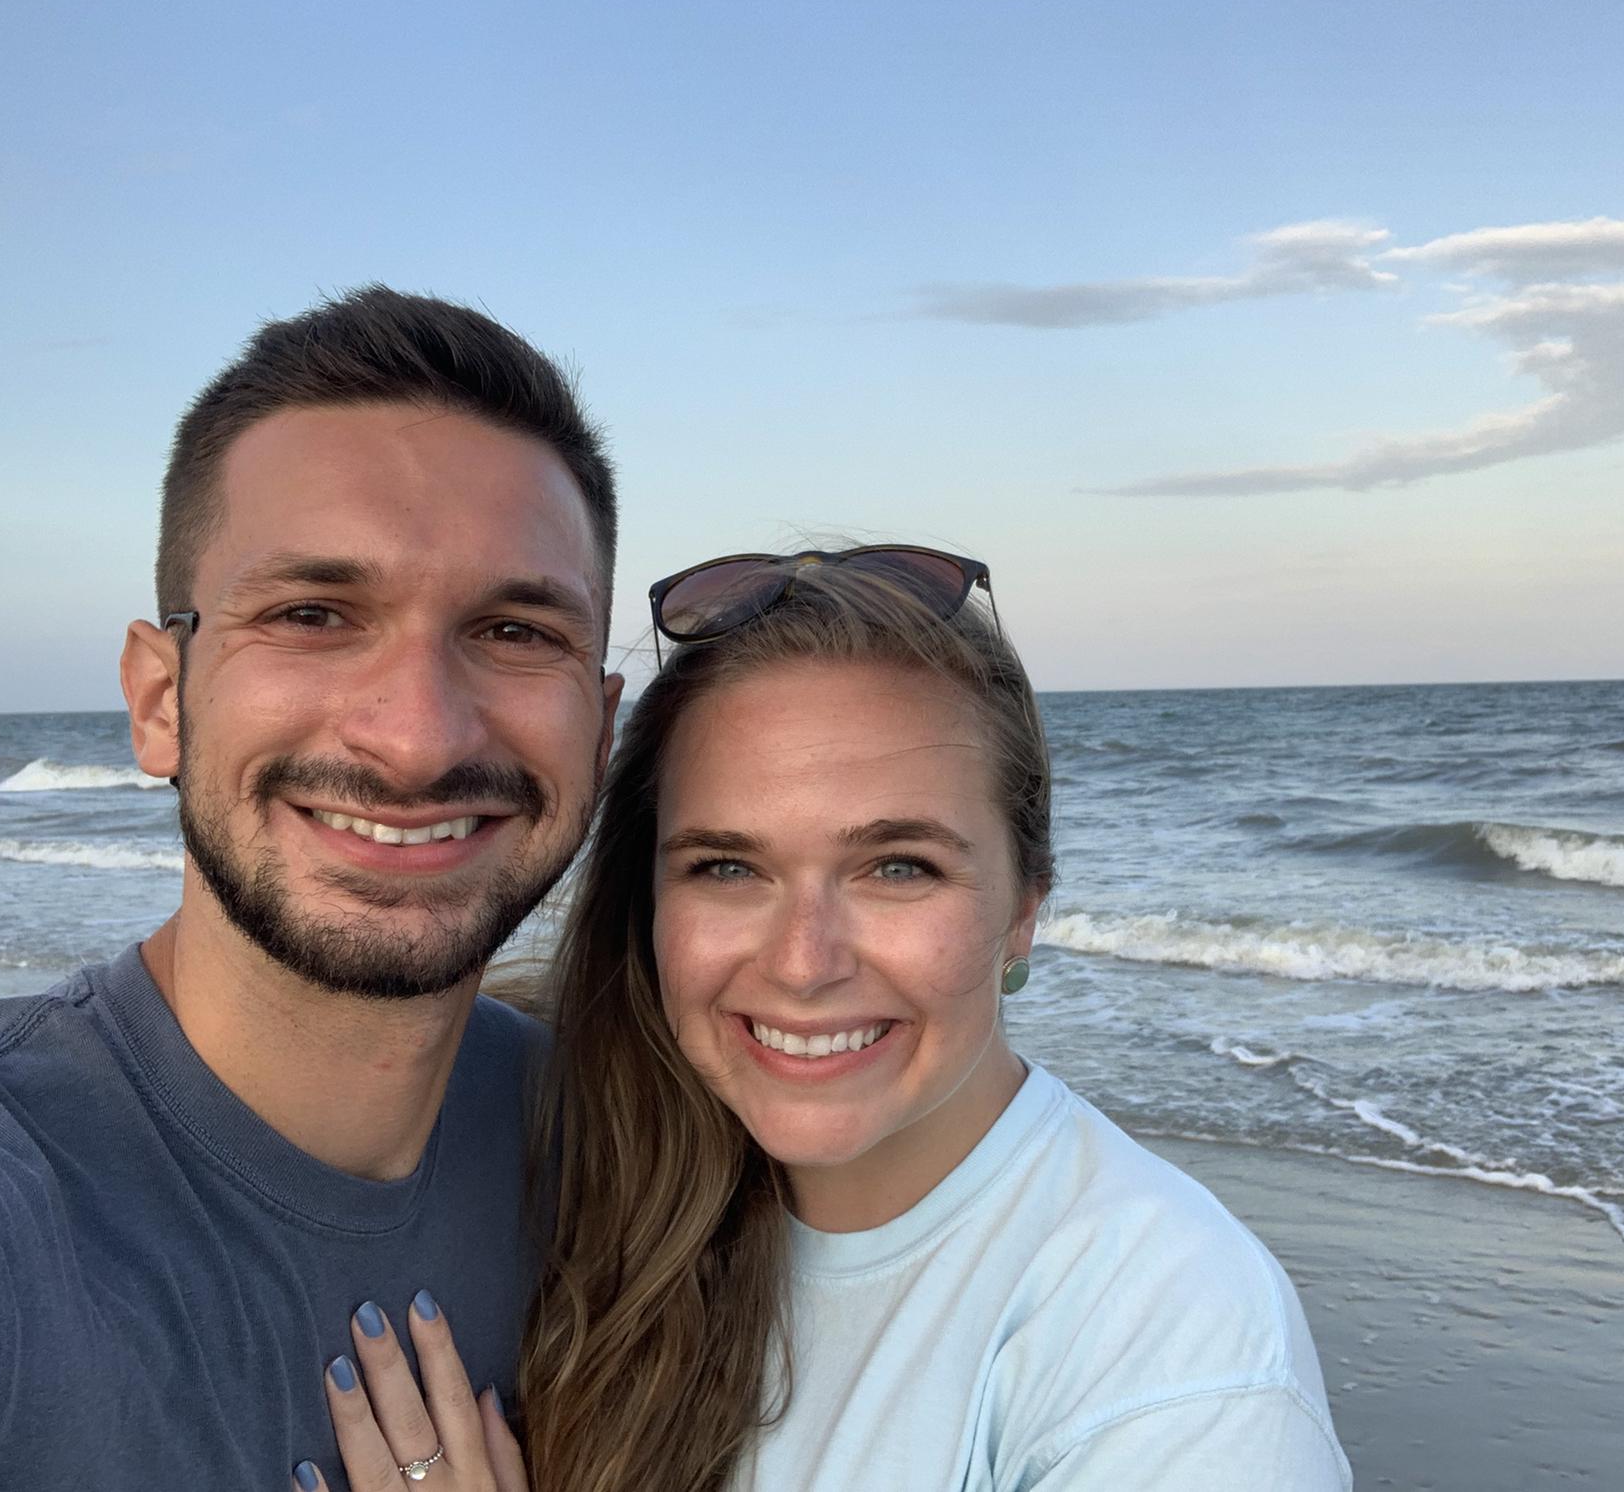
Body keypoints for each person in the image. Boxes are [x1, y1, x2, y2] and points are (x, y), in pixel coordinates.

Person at [312, 546, 1352, 1490]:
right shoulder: (604, 1179)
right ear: (651, 905)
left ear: (1022, 906)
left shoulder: (1168, 1352)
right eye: (728, 867)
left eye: (897, 867)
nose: (803, 962)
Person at [0, 287, 624, 1488]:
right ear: (162, 699)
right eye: (313, 614)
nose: (415, 738)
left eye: (517, 632)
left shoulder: (630, 1163)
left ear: (601, 729)